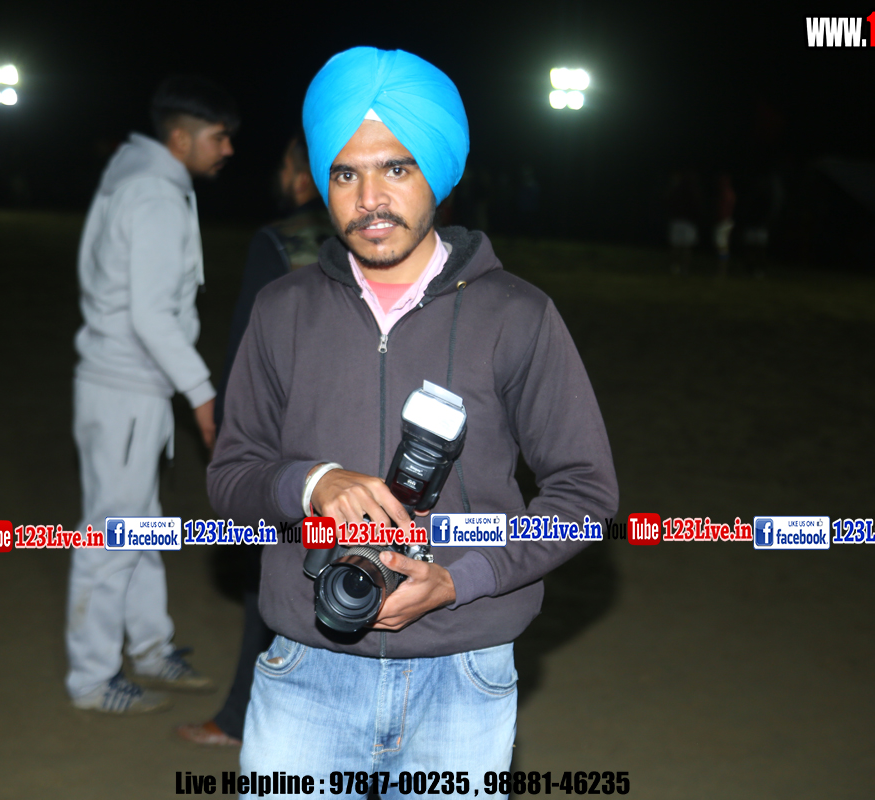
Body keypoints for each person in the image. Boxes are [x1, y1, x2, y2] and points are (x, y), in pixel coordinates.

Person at [208, 47, 618, 795]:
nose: (370, 199)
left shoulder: (519, 316)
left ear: (439, 171)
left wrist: (462, 581)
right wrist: (311, 484)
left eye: (396, 167)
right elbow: (231, 477)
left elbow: (584, 495)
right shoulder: (281, 312)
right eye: (345, 174)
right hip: (305, 670)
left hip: (464, 676)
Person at [67, 75, 237, 714]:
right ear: (181, 138)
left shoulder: (132, 175)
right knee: (112, 534)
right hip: (127, 387)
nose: (227, 149)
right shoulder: (156, 196)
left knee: (139, 525)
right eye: (219, 136)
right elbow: (150, 316)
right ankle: (92, 678)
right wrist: (203, 394)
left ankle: (149, 646)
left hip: (122, 383)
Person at [176, 130, 335, 746]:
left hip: (289, 451)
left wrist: (228, 433)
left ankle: (244, 716)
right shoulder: (401, 242)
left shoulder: (280, 241)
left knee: (268, 575)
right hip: (375, 445)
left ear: (300, 172)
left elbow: (247, 350)